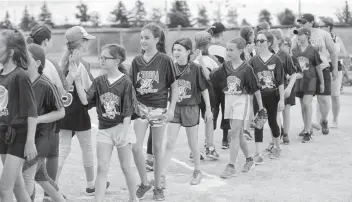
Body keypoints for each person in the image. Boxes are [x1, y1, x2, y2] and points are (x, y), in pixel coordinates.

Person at [73, 44, 138, 202]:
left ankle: (133, 197)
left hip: (122, 128)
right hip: (104, 130)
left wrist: (123, 133)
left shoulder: (126, 83)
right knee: (102, 168)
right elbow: (85, 100)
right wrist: (77, 80)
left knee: (126, 167)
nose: (101, 60)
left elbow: (128, 110)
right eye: (100, 57)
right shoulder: (99, 81)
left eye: (105, 58)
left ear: (117, 60)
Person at [130, 23, 178, 201]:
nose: (143, 41)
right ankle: (144, 182)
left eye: (147, 37)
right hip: (141, 109)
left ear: (157, 39)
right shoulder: (136, 61)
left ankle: (158, 187)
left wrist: (171, 108)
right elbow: (132, 87)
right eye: (141, 37)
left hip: (159, 109)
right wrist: (133, 107)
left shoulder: (165, 60)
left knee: (157, 149)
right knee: (135, 147)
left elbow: (174, 86)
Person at [57, 26, 103, 195]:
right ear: (79, 43)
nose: (87, 43)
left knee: (63, 148)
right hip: (78, 112)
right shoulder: (81, 64)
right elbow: (89, 89)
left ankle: (52, 186)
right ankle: (91, 185)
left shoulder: (61, 62)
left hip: (64, 112)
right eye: (85, 40)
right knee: (86, 147)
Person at [160, 38, 211, 187]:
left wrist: (208, 109)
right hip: (175, 108)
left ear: (188, 52)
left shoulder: (195, 69)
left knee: (192, 144)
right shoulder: (170, 67)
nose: (175, 52)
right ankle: (162, 175)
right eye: (174, 49)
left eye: (179, 50)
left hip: (191, 108)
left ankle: (197, 170)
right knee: (169, 143)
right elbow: (165, 89)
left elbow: (204, 89)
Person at [26, 24, 67, 201]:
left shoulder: (45, 81)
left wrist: (38, 119)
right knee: (40, 175)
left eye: (25, 59)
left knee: (26, 173)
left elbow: (61, 108)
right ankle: (56, 198)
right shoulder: (19, 80)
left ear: (36, 63)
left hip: (45, 133)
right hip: (29, 134)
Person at [214, 38, 263, 178]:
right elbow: (212, 77)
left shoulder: (247, 68)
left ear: (241, 51)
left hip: (242, 100)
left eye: (231, 49)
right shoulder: (225, 66)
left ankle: (231, 166)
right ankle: (249, 159)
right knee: (238, 133)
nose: (228, 52)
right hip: (228, 99)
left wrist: (260, 107)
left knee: (234, 132)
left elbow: (255, 88)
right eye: (227, 49)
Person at [0, 29, 38, 202]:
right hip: (3, 134)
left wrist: (30, 142)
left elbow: (32, 112)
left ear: (10, 52)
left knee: (4, 189)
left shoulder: (20, 76)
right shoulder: (1, 75)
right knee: (17, 186)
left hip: (18, 136)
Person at [292, 13, 338, 135]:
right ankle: (308, 127)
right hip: (305, 73)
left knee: (323, 99)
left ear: (312, 22)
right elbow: (293, 56)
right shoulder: (296, 37)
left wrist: (334, 69)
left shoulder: (323, 34)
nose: (301, 24)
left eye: (304, 22)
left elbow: (333, 52)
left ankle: (323, 120)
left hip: (322, 68)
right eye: (300, 22)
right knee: (304, 102)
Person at [249, 30, 285, 163]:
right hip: (258, 96)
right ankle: (258, 153)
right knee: (259, 123)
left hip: (272, 95)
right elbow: (250, 79)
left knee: (272, 122)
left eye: (262, 40)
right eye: (257, 41)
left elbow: (280, 81)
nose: (259, 43)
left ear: (269, 42)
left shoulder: (276, 60)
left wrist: (281, 99)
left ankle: (277, 146)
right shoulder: (253, 60)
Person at [292, 27, 324, 142]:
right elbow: (293, 67)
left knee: (306, 104)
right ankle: (308, 127)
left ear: (307, 35)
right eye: (297, 35)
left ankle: (307, 131)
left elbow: (318, 67)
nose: (298, 36)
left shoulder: (313, 50)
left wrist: (322, 83)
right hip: (300, 80)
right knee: (302, 106)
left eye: (300, 34)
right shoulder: (295, 50)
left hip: (311, 79)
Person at [193, 31, 220, 158]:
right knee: (209, 119)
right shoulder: (211, 60)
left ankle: (194, 151)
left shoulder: (190, 59)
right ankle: (209, 147)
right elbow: (210, 77)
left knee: (195, 122)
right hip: (207, 93)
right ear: (208, 44)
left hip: (194, 94)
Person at [270, 29, 297, 145]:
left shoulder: (284, 55)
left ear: (279, 40)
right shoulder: (265, 54)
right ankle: (276, 136)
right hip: (270, 89)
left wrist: (289, 87)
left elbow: (294, 73)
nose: (269, 41)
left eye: (272, 38)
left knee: (285, 111)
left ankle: (285, 133)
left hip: (284, 87)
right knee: (274, 114)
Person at [322, 21, 349, 128]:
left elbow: (344, 54)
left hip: (335, 68)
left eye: (323, 26)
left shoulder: (336, 39)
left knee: (335, 95)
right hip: (322, 68)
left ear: (329, 27)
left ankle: (335, 119)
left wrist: (331, 54)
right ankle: (322, 119)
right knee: (322, 96)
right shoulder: (318, 39)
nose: (320, 27)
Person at [239, 26, 257, 141]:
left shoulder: (245, 46)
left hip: (246, 78)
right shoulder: (246, 47)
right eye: (253, 34)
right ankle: (245, 129)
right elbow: (246, 64)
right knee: (249, 105)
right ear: (249, 35)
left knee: (247, 105)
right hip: (246, 78)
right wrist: (248, 53)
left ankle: (245, 128)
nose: (254, 36)